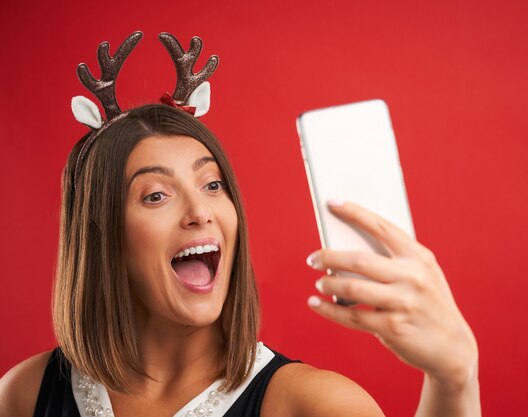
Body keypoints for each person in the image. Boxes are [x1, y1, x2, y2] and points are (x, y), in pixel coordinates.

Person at [0, 33, 481, 417]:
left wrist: (454, 379)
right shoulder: (24, 394)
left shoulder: (314, 406)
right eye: (156, 195)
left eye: (212, 185)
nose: (200, 212)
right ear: (101, 235)